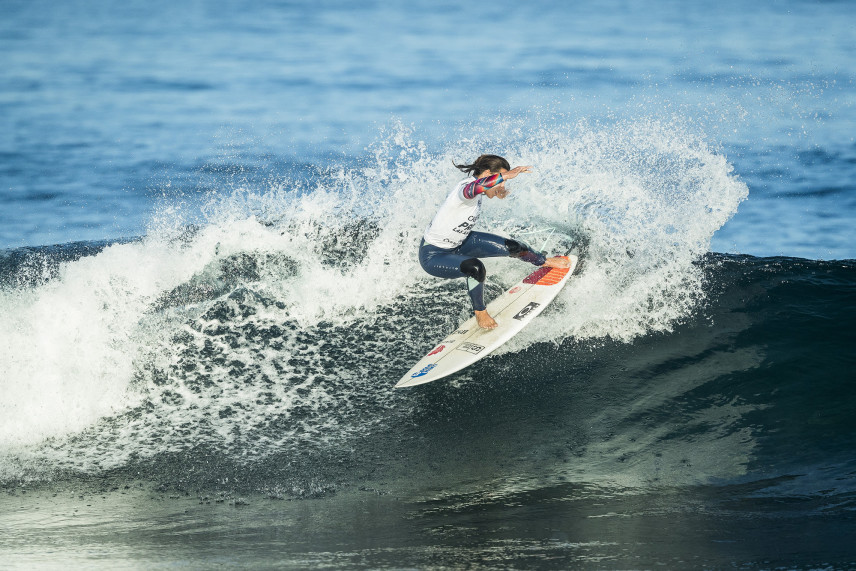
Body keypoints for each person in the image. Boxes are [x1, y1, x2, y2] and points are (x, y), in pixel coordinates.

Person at [419, 154, 570, 330]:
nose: (503, 185)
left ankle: (543, 261)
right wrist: (507, 175)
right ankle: (480, 312)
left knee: (514, 247)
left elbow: (484, 187)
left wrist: (499, 190)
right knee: (475, 268)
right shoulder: (464, 189)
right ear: (487, 174)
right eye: (500, 181)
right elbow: (475, 188)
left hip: (460, 243)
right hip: (434, 254)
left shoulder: (479, 190)